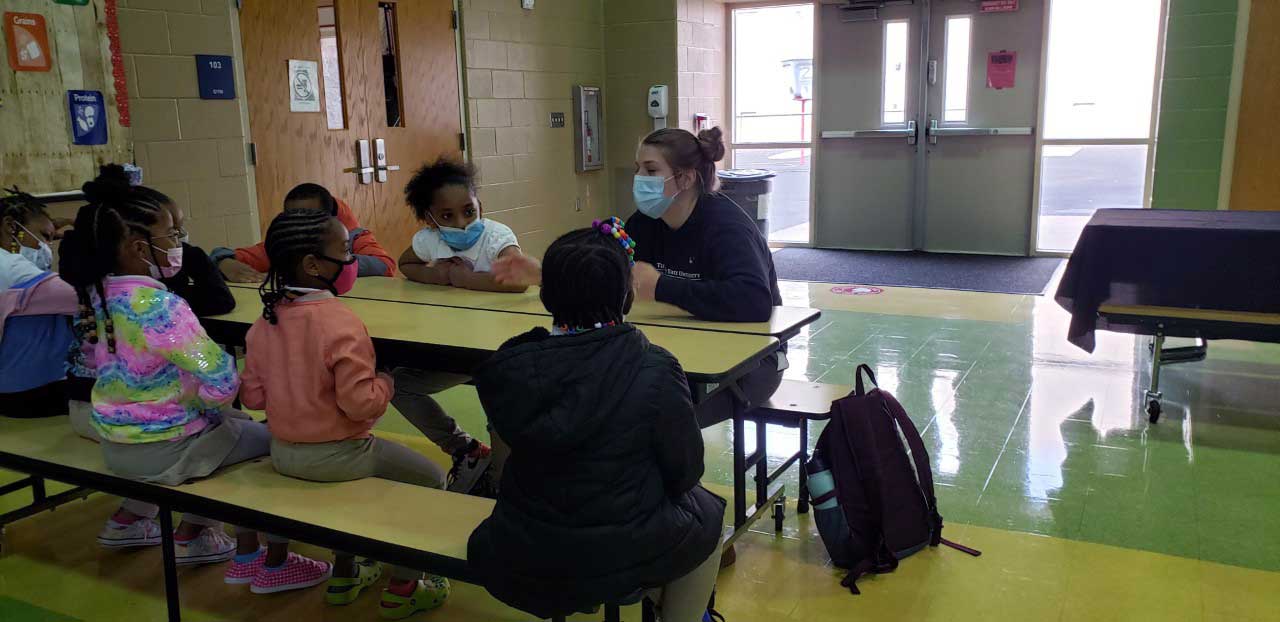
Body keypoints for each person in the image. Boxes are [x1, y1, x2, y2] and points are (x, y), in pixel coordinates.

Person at [469, 219, 726, 622]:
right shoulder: (655, 367)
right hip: (623, 548)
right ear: (626, 298)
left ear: (547, 297)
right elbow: (686, 470)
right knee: (711, 518)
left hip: (525, 545)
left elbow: (504, 468)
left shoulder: (511, 368)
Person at [492, 127, 785, 428]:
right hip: (676, 347)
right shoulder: (645, 222)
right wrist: (544, 274)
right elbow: (600, 274)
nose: (639, 179)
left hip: (753, 364)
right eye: (638, 169)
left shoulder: (728, 227)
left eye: (651, 169)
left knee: (647, 422)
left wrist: (661, 287)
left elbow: (755, 301)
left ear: (684, 178)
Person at [239, 208, 450, 616]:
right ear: (313, 265)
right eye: (345, 251)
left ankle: (345, 572)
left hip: (284, 452)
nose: (352, 261)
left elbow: (252, 398)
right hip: (340, 455)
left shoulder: (264, 322)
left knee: (359, 482)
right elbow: (360, 404)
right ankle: (406, 584)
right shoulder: (341, 322)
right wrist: (387, 381)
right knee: (431, 477)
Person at [58, 176, 275, 567]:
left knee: (229, 423)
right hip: (167, 445)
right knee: (272, 438)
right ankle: (204, 538)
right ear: (140, 248)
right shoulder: (161, 308)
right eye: (174, 234)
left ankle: (133, 520)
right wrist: (210, 402)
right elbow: (221, 378)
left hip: (116, 443)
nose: (180, 242)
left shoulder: (99, 295)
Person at [93, 164, 235, 316]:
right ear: (139, 246)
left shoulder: (172, 265)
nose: (179, 238)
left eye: (178, 230)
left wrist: (194, 255)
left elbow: (221, 301)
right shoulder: (111, 290)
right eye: (172, 232)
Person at [212, 183, 396, 283]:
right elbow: (220, 254)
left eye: (309, 218)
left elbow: (384, 265)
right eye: (291, 218)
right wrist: (222, 262)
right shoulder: (290, 241)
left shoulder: (354, 236)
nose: (299, 225)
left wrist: (331, 261)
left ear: (331, 218)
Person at [0, 189, 78, 418]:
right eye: (44, 236)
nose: (46, 247)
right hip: (31, 393)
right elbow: (84, 297)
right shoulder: (13, 268)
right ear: (11, 227)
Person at [397, 158, 526, 293]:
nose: (461, 223)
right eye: (447, 216)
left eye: (469, 212)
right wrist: (433, 275)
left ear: (480, 208)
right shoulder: (430, 239)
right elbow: (405, 264)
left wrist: (468, 279)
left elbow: (521, 280)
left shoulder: (496, 237)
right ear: (430, 219)